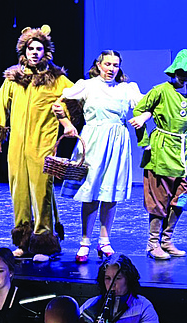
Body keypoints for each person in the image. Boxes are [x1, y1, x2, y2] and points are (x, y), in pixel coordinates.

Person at [0, 25, 76, 261]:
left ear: (46, 52)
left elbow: (77, 98)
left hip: (42, 145)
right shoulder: (15, 78)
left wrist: (62, 112)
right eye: (30, 48)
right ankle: (23, 241)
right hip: (16, 147)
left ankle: (44, 243)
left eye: (39, 48)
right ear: (24, 50)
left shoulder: (56, 79)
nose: (35, 52)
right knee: (19, 193)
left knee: (41, 193)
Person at [54, 50, 143, 263]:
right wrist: (66, 125)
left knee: (110, 193)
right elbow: (58, 104)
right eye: (107, 64)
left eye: (115, 65)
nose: (111, 69)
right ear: (98, 64)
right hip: (93, 140)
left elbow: (145, 106)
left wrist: (143, 117)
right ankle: (85, 241)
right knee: (90, 192)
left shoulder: (126, 88)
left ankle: (104, 240)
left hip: (117, 141)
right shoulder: (87, 85)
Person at [130, 50, 187, 260]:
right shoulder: (160, 90)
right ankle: (152, 244)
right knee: (159, 200)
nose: (184, 75)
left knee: (181, 199)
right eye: (180, 71)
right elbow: (138, 112)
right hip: (161, 153)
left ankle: (167, 240)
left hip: (184, 155)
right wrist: (144, 143)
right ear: (174, 71)